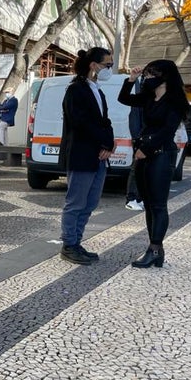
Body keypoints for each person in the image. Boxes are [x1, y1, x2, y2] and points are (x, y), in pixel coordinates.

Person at [117, 60, 189, 268]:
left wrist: (144, 150)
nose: (147, 78)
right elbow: (124, 98)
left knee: (158, 204)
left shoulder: (175, 100)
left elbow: (168, 130)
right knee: (148, 204)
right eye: (146, 75)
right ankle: (155, 249)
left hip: (161, 153)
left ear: (164, 76)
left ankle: (155, 249)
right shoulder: (149, 97)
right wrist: (130, 80)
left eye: (150, 75)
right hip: (144, 153)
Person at [58, 47, 115, 265]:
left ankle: (77, 242)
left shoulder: (97, 90)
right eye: (107, 65)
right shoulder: (76, 90)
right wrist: (103, 141)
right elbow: (79, 122)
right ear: (94, 65)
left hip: (99, 156)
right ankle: (68, 244)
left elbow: (105, 121)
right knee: (76, 203)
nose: (109, 69)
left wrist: (109, 144)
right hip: (82, 155)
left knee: (90, 203)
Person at [125, 81, 144, 211]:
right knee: (136, 168)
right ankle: (131, 198)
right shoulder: (138, 97)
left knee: (141, 169)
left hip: (141, 137)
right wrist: (136, 137)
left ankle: (138, 198)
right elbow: (135, 118)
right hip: (139, 138)